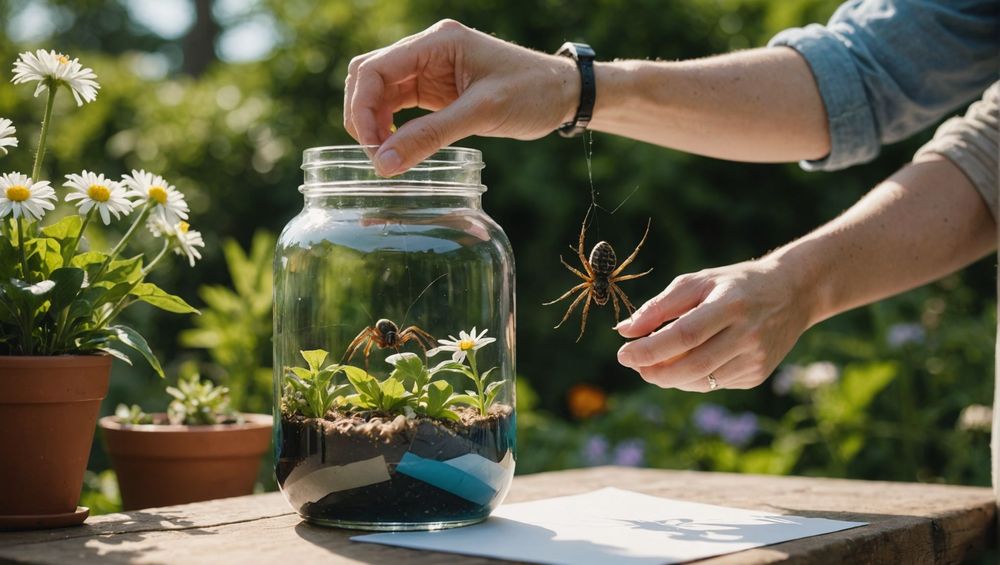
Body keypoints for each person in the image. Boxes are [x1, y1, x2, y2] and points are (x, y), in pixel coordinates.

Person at [343, 0, 998, 482]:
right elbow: (869, 72)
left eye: (600, 283)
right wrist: (571, 86)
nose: (598, 287)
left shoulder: (600, 274)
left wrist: (801, 282)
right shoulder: (600, 277)